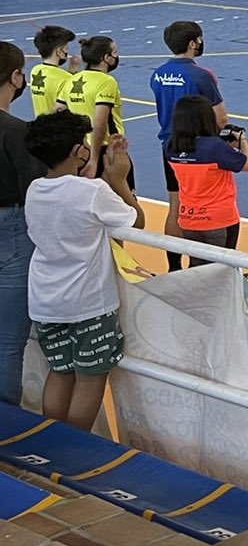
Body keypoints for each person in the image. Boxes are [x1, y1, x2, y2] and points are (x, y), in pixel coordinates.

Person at [25, 109, 142, 430]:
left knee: (60, 371)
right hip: (88, 304)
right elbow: (136, 222)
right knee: (91, 377)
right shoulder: (92, 192)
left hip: (46, 301)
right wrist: (118, 180)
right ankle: (76, 448)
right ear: (78, 151)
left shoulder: (35, 189)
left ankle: (52, 443)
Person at [148, 20, 226, 266]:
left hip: (169, 145)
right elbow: (221, 118)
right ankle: (208, 265)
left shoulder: (158, 74)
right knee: (208, 206)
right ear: (193, 43)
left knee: (176, 204)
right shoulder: (200, 76)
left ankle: (173, 265)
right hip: (199, 148)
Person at [0, 42, 40, 407]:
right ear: (15, 78)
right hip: (12, 228)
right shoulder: (17, 131)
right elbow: (38, 191)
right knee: (9, 342)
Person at [164, 95, 248, 264]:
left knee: (197, 269)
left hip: (189, 220)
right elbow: (246, 164)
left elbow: (199, 157)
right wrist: (242, 140)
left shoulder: (170, 147)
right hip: (219, 219)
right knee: (222, 270)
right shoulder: (214, 146)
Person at [59, 36, 122, 176]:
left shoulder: (72, 80)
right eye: (115, 52)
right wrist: (94, 160)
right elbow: (100, 123)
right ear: (106, 57)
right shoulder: (107, 81)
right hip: (106, 150)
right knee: (121, 196)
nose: (117, 56)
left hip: (81, 150)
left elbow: (58, 112)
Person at [29, 27, 77, 118]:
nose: (67, 52)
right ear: (59, 52)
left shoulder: (35, 71)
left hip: (40, 127)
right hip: (61, 130)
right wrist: (74, 74)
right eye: (66, 49)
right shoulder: (66, 78)